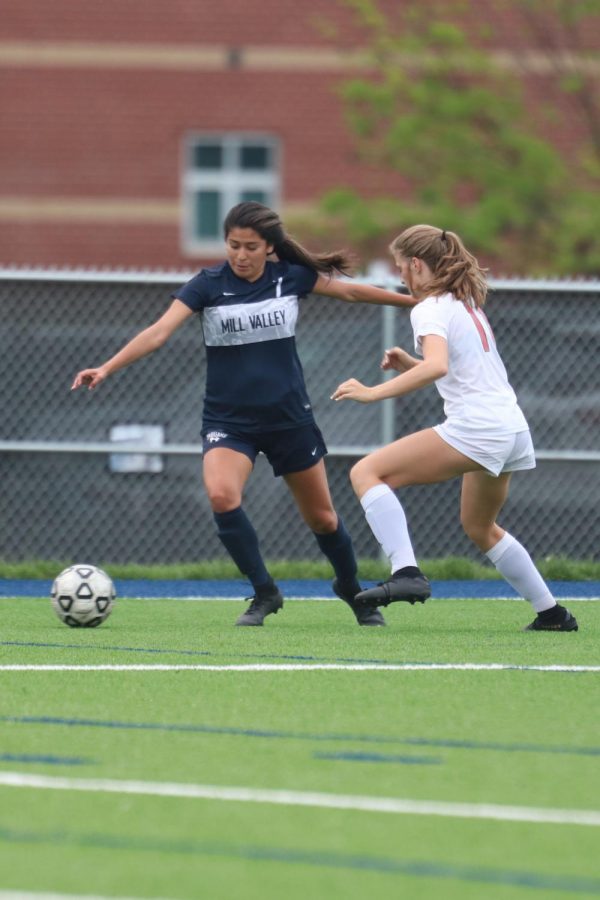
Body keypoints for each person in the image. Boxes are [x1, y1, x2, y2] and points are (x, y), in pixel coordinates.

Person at [72, 201, 418, 627]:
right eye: (233, 245)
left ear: (269, 248)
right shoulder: (208, 284)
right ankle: (264, 591)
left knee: (323, 518)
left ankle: (350, 587)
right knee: (221, 496)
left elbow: (351, 290)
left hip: (289, 419)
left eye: (250, 246)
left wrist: (414, 302)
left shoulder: (288, 277)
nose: (240, 254)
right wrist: (106, 367)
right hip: (228, 421)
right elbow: (158, 333)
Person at [331, 224, 578, 632]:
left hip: (479, 428)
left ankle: (406, 571)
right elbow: (457, 370)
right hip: (511, 428)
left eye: (401, 269)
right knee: (480, 527)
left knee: (366, 472)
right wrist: (410, 365)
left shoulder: (428, 307)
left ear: (416, 265)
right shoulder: (463, 303)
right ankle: (553, 614)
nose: (401, 278)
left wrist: (373, 392)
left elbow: (439, 366)